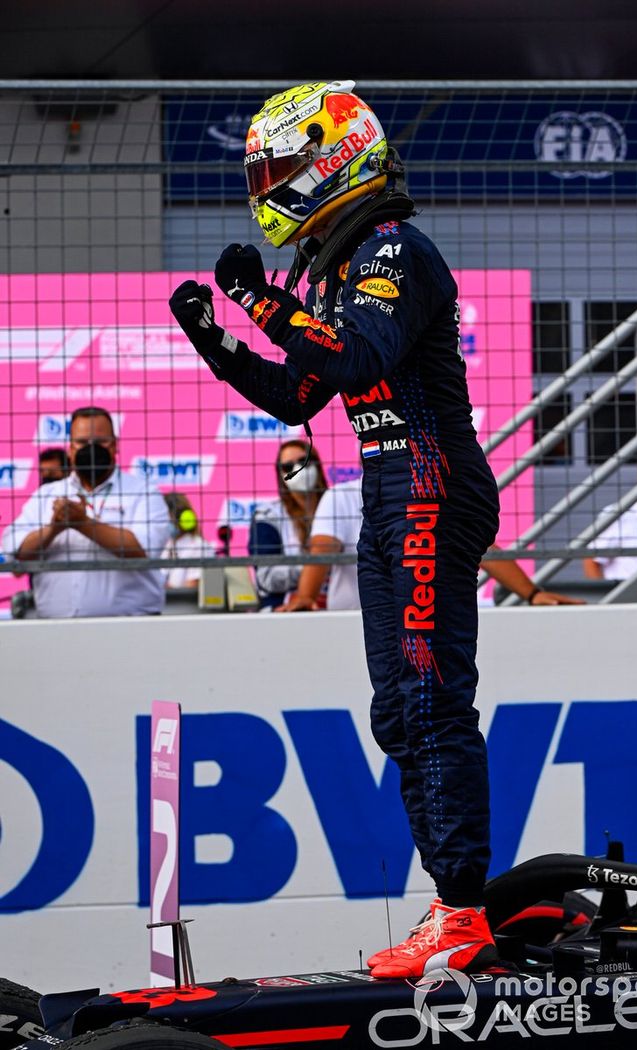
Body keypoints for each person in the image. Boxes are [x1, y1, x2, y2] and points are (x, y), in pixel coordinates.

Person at [170, 79, 502, 977]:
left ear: (332, 160)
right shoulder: (346, 258)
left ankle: (463, 910)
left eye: (278, 168)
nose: (266, 186)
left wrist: (258, 303)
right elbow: (301, 393)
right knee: (397, 710)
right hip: (392, 490)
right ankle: (453, 904)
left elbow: (353, 354)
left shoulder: (395, 247)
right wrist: (216, 337)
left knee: (431, 700)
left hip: (430, 486)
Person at [280, 476, 583, 611]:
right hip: (360, 624)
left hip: (425, 624)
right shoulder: (343, 496)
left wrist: (532, 594)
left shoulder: (432, 492)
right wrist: (305, 596)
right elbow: (322, 549)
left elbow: (480, 548)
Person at [2, 406, 170, 617]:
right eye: (82, 442)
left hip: (130, 628)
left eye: (100, 442)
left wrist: (83, 523)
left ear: (115, 445)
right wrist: (55, 528)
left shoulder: (143, 491)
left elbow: (145, 550)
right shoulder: (46, 494)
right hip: (54, 630)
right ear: (70, 449)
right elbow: (15, 552)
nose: (91, 449)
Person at [248, 440, 328, 608]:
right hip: (283, 611)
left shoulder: (338, 507)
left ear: (317, 465)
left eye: (303, 462)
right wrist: (317, 570)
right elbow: (266, 578)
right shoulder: (268, 516)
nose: (298, 470)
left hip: (336, 605)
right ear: (280, 475)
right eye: (287, 467)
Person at [161, 491, 217, 589]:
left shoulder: (199, 546)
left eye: (167, 518)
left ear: (184, 519)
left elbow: (193, 588)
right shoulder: (166, 545)